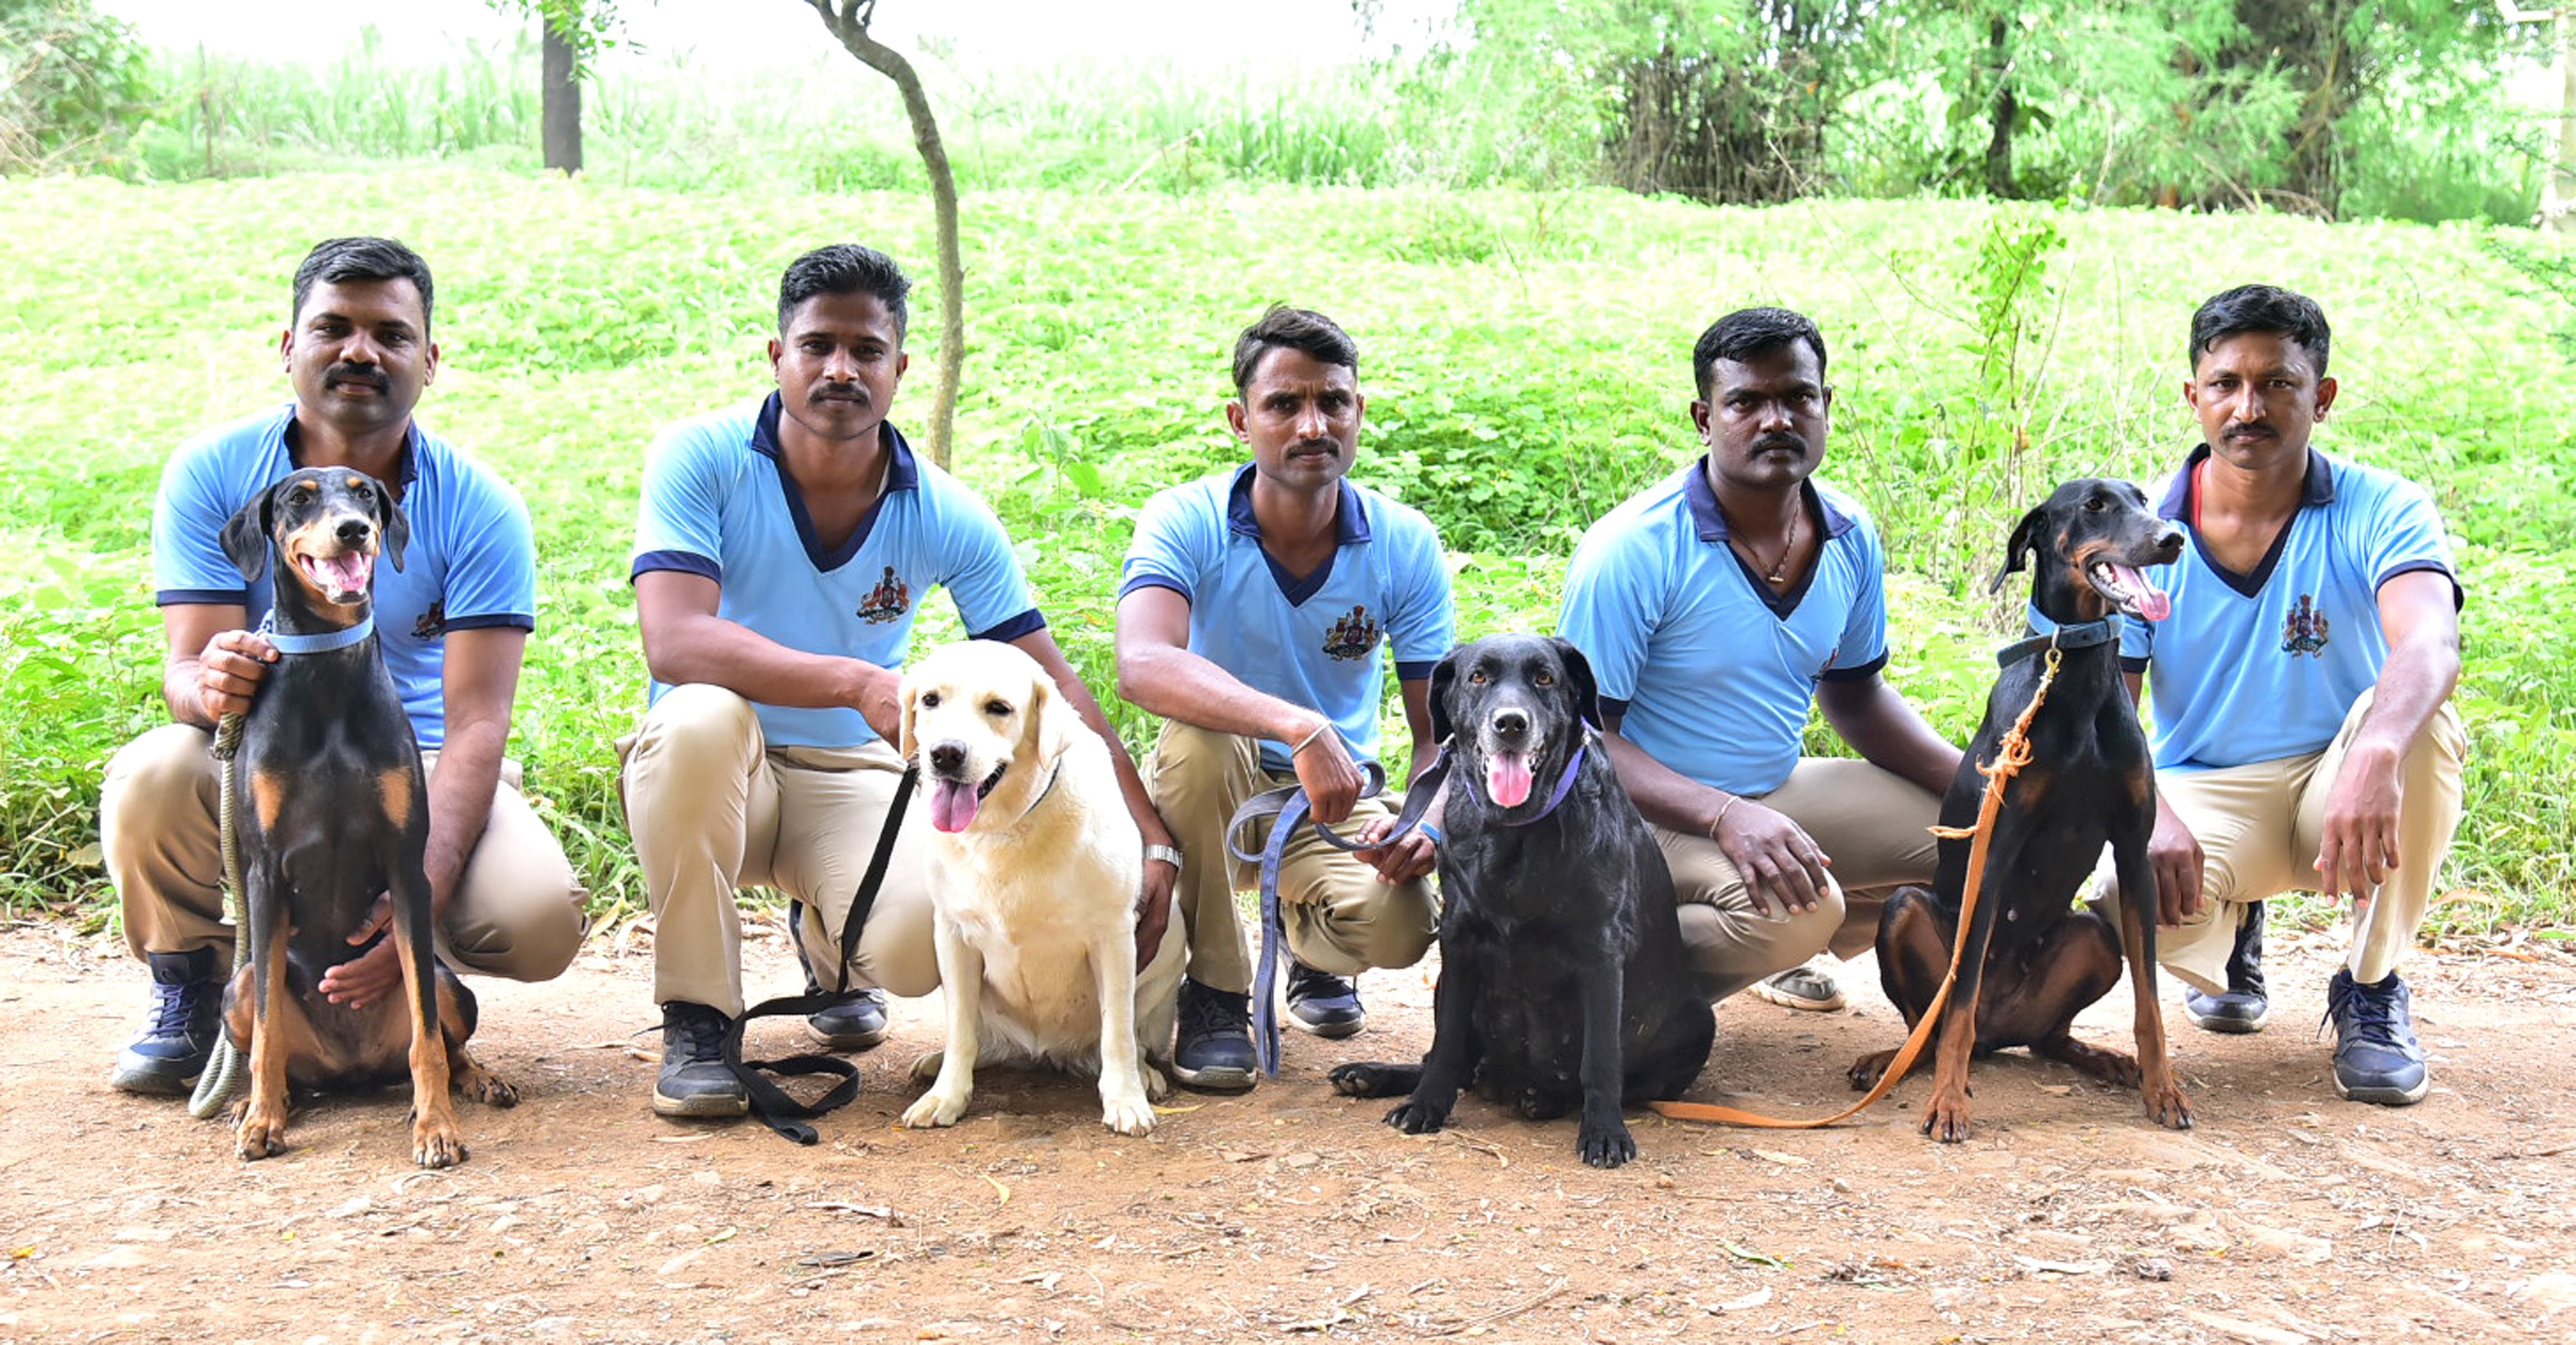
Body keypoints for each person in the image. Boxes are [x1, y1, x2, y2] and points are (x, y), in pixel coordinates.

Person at [622, 243, 1180, 1120]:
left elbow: (1047, 685)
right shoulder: (701, 457)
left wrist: (1152, 839)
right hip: (720, 768)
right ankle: (699, 1017)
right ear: (778, 356)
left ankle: (830, 950)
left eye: (866, 351)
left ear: (900, 368)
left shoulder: (944, 511)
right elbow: (673, 640)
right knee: (697, 718)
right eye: (817, 346)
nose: (840, 369)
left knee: (928, 943)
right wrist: (855, 680)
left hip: (853, 778)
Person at [103, 236, 585, 1094]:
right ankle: (193, 982)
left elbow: (478, 724)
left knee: (538, 917)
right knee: (150, 770)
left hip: (421, 758)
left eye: (391, 334)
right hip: (273, 742)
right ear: (288, 347)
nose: (361, 351)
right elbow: (184, 674)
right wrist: (210, 681)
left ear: (429, 360)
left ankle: (399, 959)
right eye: (333, 327)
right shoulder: (218, 472)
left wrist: (415, 895)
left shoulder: (477, 504)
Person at [2105, 284, 2464, 1106]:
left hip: (2340, 782)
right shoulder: (2140, 530)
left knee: (2420, 726)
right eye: (2225, 384)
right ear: (2191, 395)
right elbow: (2107, 707)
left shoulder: (2381, 506)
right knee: (2121, 897)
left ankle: (2370, 989)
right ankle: (2230, 930)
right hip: (2206, 787)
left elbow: (2428, 641)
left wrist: (2374, 749)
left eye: (2277, 383)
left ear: (2321, 398)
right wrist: (2148, 810)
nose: (2247, 406)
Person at [1555, 307, 1961, 1009]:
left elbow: (1856, 695)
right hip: (1629, 814)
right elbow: (1584, 740)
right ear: (1703, 418)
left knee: (1971, 836)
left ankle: (1774, 944)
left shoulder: (1847, 532)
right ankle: (1584, 977)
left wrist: (1982, 784)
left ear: (1826, 406)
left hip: (1766, 792)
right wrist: (1722, 817)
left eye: (1797, 397)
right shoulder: (1633, 550)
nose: (1776, 420)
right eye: (1745, 401)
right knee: (1799, 911)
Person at [1114, 305, 1451, 1092]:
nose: (1312, 425)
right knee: (1203, 742)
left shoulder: (1404, 543)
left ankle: (1311, 947)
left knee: (1400, 927)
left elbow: (1440, 733)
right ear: (1241, 420)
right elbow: (1141, 663)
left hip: (1328, 801)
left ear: (1358, 411)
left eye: (1332, 402)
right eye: (1283, 405)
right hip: (1208, 791)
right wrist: (1295, 724)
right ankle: (1217, 996)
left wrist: (1428, 818)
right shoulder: (1185, 518)